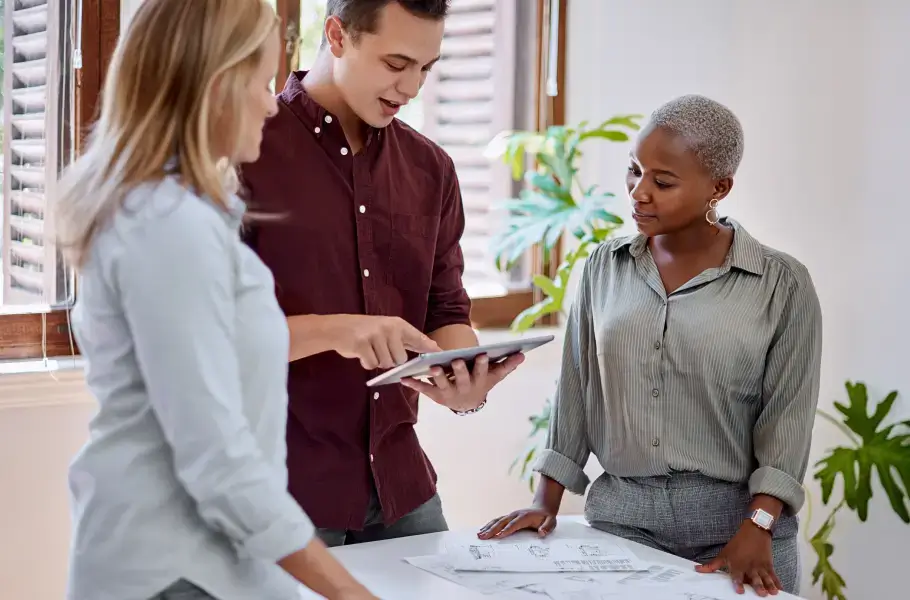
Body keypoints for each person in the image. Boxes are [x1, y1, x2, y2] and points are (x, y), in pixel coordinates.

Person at [53, 1, 376, 599]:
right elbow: (219, 462)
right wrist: (352, 594)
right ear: (218, 85)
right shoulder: (167, 226)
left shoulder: (180, 215)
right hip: (171, 570)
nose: (269, 102)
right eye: (261, 81)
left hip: (203, 565)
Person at [477, 95, 823, 597]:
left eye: (663, 182)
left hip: (740, 534)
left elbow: (787, 419)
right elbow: (577, 386)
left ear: (718, 188)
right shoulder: (604, 267)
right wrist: (545, 500)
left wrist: (759, 526)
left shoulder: (781, 285)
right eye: (634, 172)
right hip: (623, 526)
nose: (639, 193)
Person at [239, 0, 523, 547]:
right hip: (278, 490)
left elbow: (446, 309)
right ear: (338, 36)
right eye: (397, 64)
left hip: (400, 488)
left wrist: (463, 383)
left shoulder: (431, 169)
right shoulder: (246, 151)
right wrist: (345, 330)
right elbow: (215, 335)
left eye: (426, 68)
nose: (411, 87)